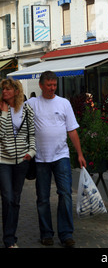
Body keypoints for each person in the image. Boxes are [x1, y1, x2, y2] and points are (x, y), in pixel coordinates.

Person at [27, 70, 86, 248]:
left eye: (54, 85)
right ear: (41, 85)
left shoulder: (64, 103)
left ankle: (66, 233)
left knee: (65, 194)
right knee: (43, 198)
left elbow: (72, 130)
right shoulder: (31, 104)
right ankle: (46, 234)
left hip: (61, 155)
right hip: (40, 158)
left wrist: (80, 153)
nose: (52, 88)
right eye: (49, 85)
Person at [0, 78, 36, 248]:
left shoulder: (26, 109)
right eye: (2, 90)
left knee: (15, 199)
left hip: (22, 160)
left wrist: (31, 152)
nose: (4, 92)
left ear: (15, 91)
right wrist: (4, 113)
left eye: (7, 89)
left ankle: (10, 237)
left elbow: (32, 133)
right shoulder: (0, 109)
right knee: (7, 198)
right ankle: (8, 239)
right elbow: (1, 134)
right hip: (3, 161)